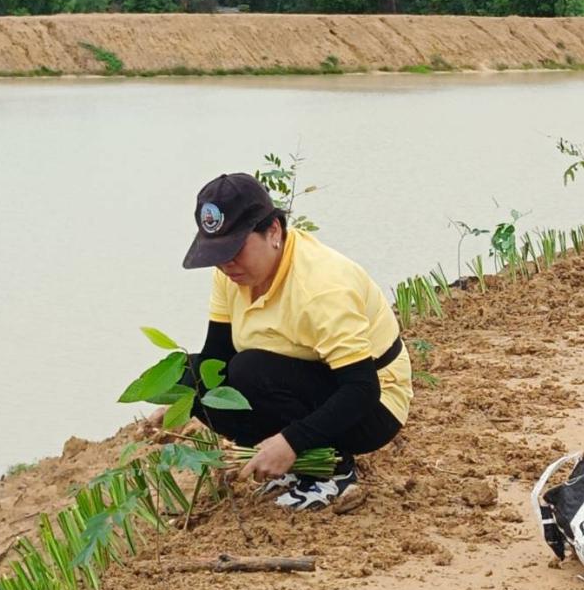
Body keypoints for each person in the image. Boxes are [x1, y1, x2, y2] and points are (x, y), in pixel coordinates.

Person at [160, 172, 412, 510]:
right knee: (189, 375)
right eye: (217, 254)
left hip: (373, 407)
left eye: (234, 250)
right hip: (306, 384)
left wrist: (291, 441)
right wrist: (182, 399)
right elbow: (216, 358)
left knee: (251, 369)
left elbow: (362, 389)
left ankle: (333, 471)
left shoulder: (322, 286)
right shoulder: (231, 277)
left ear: (273, 232)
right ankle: (295, 464)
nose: (225, 265)